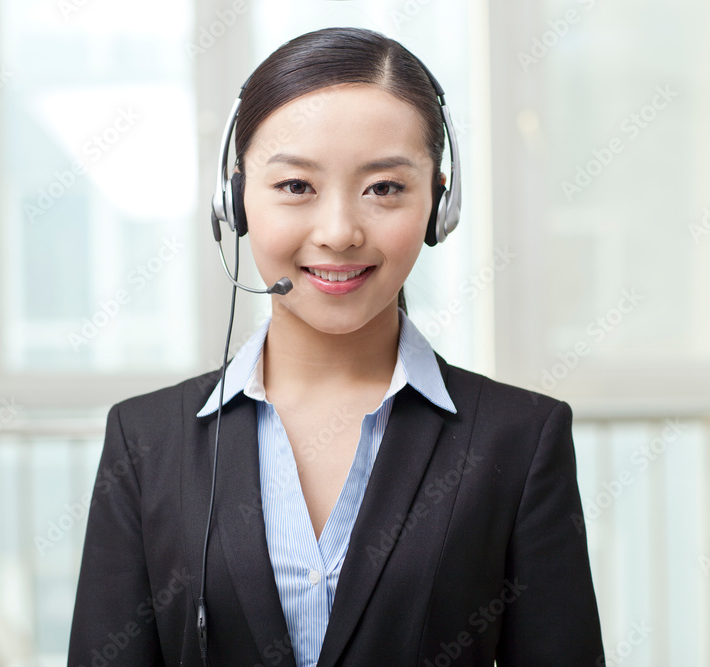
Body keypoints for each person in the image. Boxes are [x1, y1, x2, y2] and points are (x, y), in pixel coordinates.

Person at [67, 27, 603, 667]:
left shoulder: (520, 439)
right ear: (234, 200)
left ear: (440, 201)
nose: (340, 232)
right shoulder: (145, 440)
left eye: (384, 188)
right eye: (296, 186)